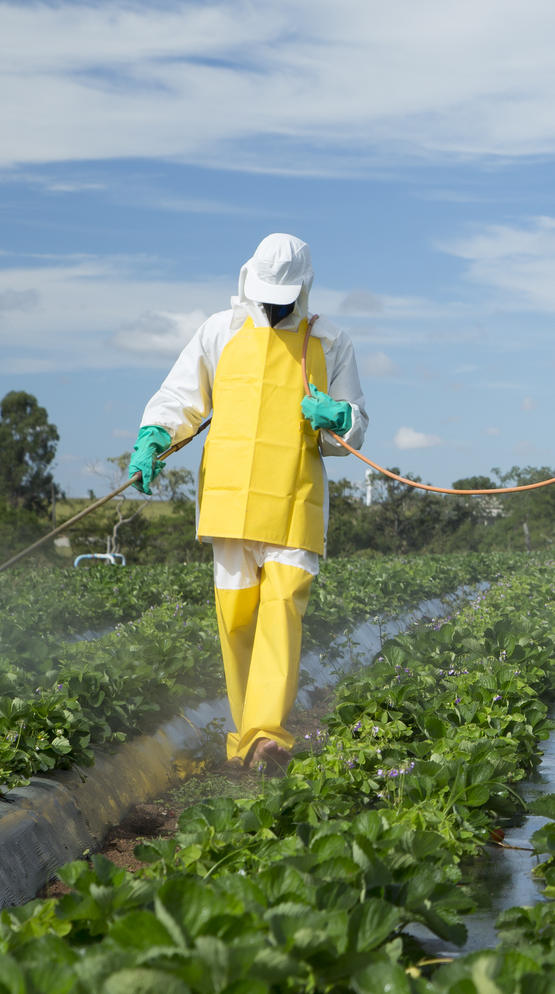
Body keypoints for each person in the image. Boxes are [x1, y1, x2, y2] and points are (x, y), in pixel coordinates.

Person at [128, 233, 367, 773]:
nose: (275, 302)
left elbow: (352, 430)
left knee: (281, 612)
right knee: (236, 620)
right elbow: (179, 397)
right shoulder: (221, 330)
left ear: (303, 288)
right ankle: (245, 741)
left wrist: (340, 418)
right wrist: (152, 439)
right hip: (229, 499)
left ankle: (266, 738)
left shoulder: (329, 342)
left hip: (293, 497)